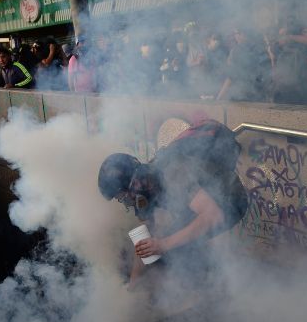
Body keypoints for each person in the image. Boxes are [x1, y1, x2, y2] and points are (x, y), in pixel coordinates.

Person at [97, 119, 248, 290]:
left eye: (123, 196)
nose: (125, 202)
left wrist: (163, 245)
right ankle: (193, 286)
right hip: (203, 204)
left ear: (132, 183)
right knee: (167, 244)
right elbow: (144, 244)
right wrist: (132, 286)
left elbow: (213, 216)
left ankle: (210, 291)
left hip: (231, 200)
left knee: (177, 247)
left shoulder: (172, 171)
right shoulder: (143, 188)